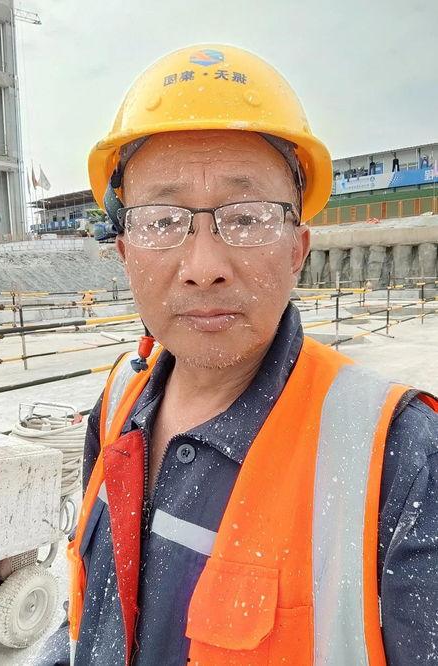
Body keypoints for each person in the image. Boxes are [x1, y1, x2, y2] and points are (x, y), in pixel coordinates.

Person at [39, 44, 437, 666]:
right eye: (162, 220)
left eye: (248, 218)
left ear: (299, 248)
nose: (203, 268)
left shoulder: (399, 459)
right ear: (123, 251)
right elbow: (91, 616)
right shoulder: (118, 403)